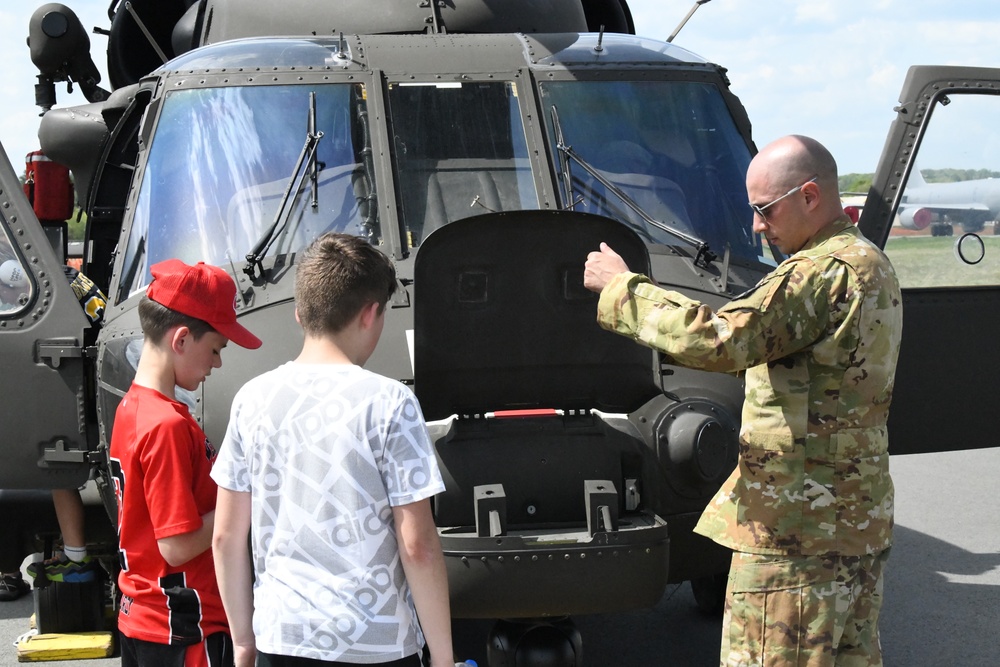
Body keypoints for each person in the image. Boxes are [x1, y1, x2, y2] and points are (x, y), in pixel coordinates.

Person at [583, 135, 902, 666]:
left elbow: (723, 339)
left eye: (764, 209)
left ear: (809, 196)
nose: (756, 226)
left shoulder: (819, 273)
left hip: (796, 531)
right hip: (851, 521)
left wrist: (623, 290)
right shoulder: (870, 261)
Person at [212, 233, 454, 667]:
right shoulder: (391, 404)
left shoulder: (252, 400)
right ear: (371, 314)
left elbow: (227, 537)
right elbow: (417, 545)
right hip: (376, 643)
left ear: (300, 314)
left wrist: (244, 640)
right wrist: (442, 656)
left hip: (282, 638)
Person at [109, 259, 262, 667]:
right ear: (180, 340)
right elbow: (176, 546)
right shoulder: (167, 425)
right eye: (215, 349)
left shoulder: (132, 407)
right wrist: (244, 499)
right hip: (184, 626)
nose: (217, 363)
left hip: (144, 616)